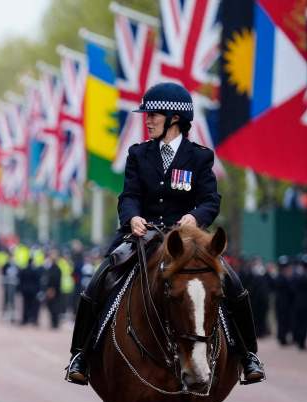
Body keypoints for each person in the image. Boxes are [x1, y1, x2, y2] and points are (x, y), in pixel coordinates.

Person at [64, 82, 265, 385]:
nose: (147, 119)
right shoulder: (138, 153)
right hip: (142, 236)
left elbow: (211, 200)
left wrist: (193, 217)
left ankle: (248, 355)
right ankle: (80, 353)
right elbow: (129, 195)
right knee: (99, 279)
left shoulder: (199, 156)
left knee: (233, 284)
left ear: (174, 118)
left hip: (186, 240)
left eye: (153, 114)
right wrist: (132, 217)